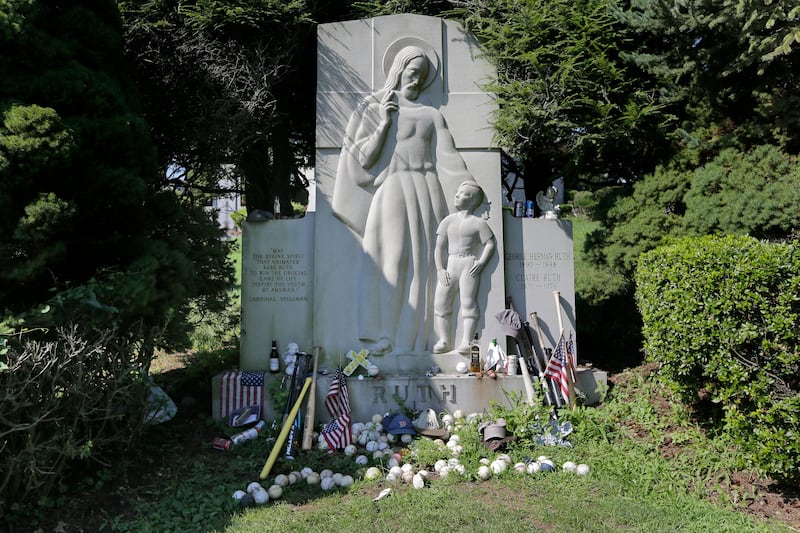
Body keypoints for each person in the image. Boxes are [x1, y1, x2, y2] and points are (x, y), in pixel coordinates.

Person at [332, 44, 471, 355]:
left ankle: (416, 337)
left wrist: (469, 187)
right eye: (413, 72)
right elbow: (364, 160)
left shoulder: (432, 115)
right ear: (399, 70)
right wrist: (384, 122)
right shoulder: (376, 108)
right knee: (391, 260)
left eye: (422, 75)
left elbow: (449, 159)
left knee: (425, 266)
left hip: (427, 190)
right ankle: (384, 334)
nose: (417, 80)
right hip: (393, 189)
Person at [432, 180, 496, 354]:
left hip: (469, 264)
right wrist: (440, 269)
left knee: (468, 302)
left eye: (463, 194)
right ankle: (444, 340)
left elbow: (489, 244)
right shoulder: (448, 221)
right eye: (457, 192)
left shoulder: (478, 223)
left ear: (473, 200)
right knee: (441, 302)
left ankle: (467, 341)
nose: (457, 196)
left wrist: (481, 262)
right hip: (451, 264)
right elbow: (439, 248)